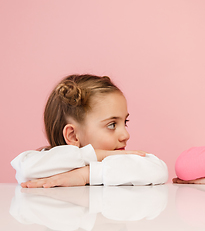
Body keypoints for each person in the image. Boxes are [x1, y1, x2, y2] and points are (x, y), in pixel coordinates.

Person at [11, 74, 168, 188]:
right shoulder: (46, 162)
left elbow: (158, 170)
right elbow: (26, 170)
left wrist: (86, 174)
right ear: (73, 135)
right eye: (112, 125)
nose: (126, 135)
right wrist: (93, 155)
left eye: (124, 122)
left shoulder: (116, 161)